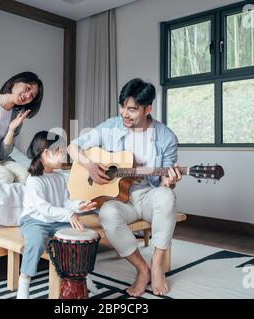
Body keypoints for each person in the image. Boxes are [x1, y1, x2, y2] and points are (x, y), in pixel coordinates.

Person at [68, 78, 182, 297]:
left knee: (167, 196)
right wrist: (90, 167)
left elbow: (164, 181)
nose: (124, 114)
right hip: (120, 199)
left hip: (148, 194)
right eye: (122, 107)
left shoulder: (166, 137)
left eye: (132, 109)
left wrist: (171, 181)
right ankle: (142, 269)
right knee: (108, 214)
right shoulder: (111, 126)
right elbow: (73, 146)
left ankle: (157, 265)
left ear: (148, 109)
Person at [17, 131, 97, 299]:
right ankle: (24, 281)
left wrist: (79, 205)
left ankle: (84, 277)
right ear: (46, 153)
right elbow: (44, 209)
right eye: (59, 151)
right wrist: (69, 214)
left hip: (56, 220)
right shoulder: (34, 180)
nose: (63, 154)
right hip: (35, 221)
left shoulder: (59, 177)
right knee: (36, 241)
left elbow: (65, 203)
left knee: (83, 234)